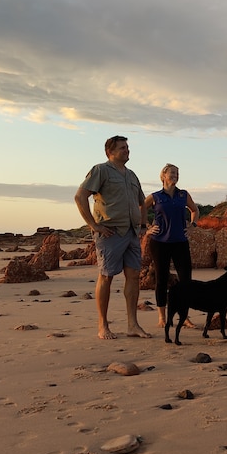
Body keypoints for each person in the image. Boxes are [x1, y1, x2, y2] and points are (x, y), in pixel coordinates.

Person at [74, 135, 151, 340]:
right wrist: (93, 225)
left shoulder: (132, 175)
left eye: (127, 147)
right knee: (106, 277)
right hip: (110, 232)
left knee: (134, 276)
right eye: (122, 148)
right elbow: (80, 196)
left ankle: (132, 325)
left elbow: (142, 202)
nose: (127, 150)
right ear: (110, 152)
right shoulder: (101, 170)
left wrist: (143, 225)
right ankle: (103, 326)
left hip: (132, 233)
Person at [144, 163, 199, 327]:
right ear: (163, 176)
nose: (175, 176)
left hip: (180, 242)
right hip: (159, 243)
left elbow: (195, 210)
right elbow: (139, 209)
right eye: (172, 173)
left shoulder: (183, 195)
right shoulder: (155, 196)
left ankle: (185, 317)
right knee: (161, 279)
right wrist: (146, 227)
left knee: (186, 281)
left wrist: (192, 225)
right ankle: (161, 317)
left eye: (177, 173)